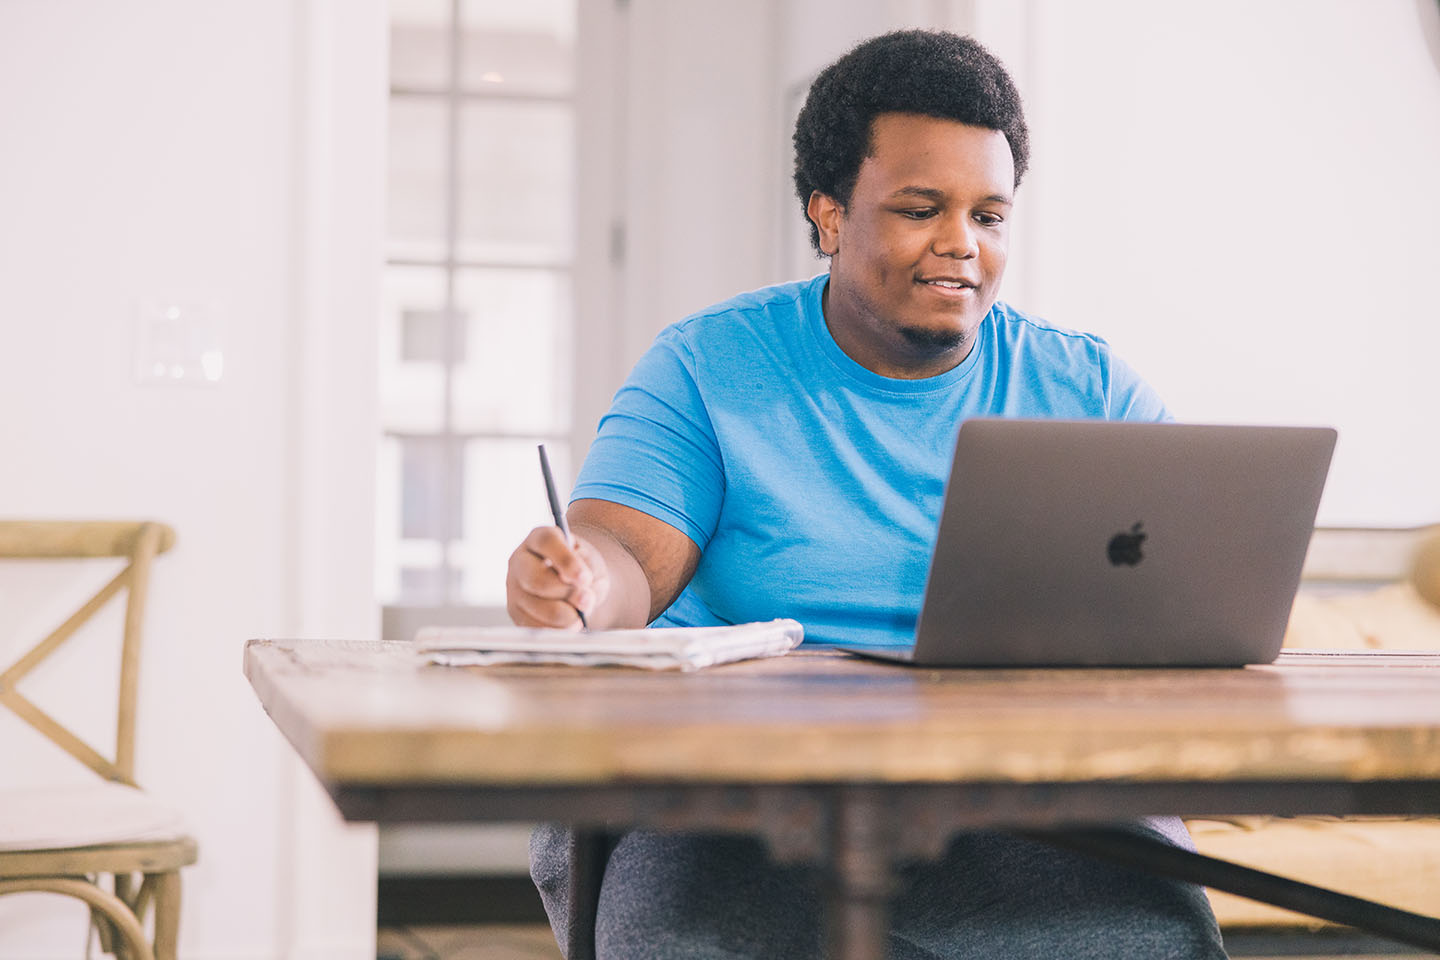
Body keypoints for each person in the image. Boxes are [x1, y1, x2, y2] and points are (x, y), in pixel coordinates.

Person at [507, 28, 1227, 960]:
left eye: (990, 216)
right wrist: (577, 587)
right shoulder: (709, 365)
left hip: (1023, 802)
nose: (961, 245)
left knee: (1151, 939)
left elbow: (1195, 590)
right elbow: (621, 564)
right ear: (829, 216)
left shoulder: (1087, 389)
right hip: (739, 806)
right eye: (921, 208)